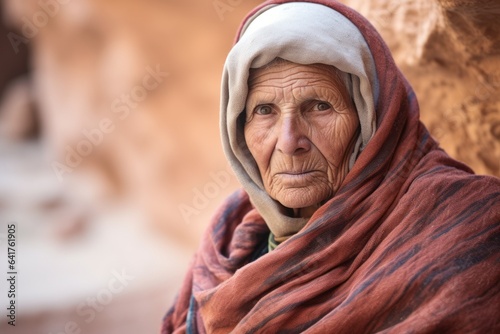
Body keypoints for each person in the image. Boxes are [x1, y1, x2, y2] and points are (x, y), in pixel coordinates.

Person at [162, 0, 500, 333]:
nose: (289, 141)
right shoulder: (229, 238)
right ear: (238, 128)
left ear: (372, 119)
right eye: (264, 111)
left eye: (320, 106)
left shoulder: (470, 226)